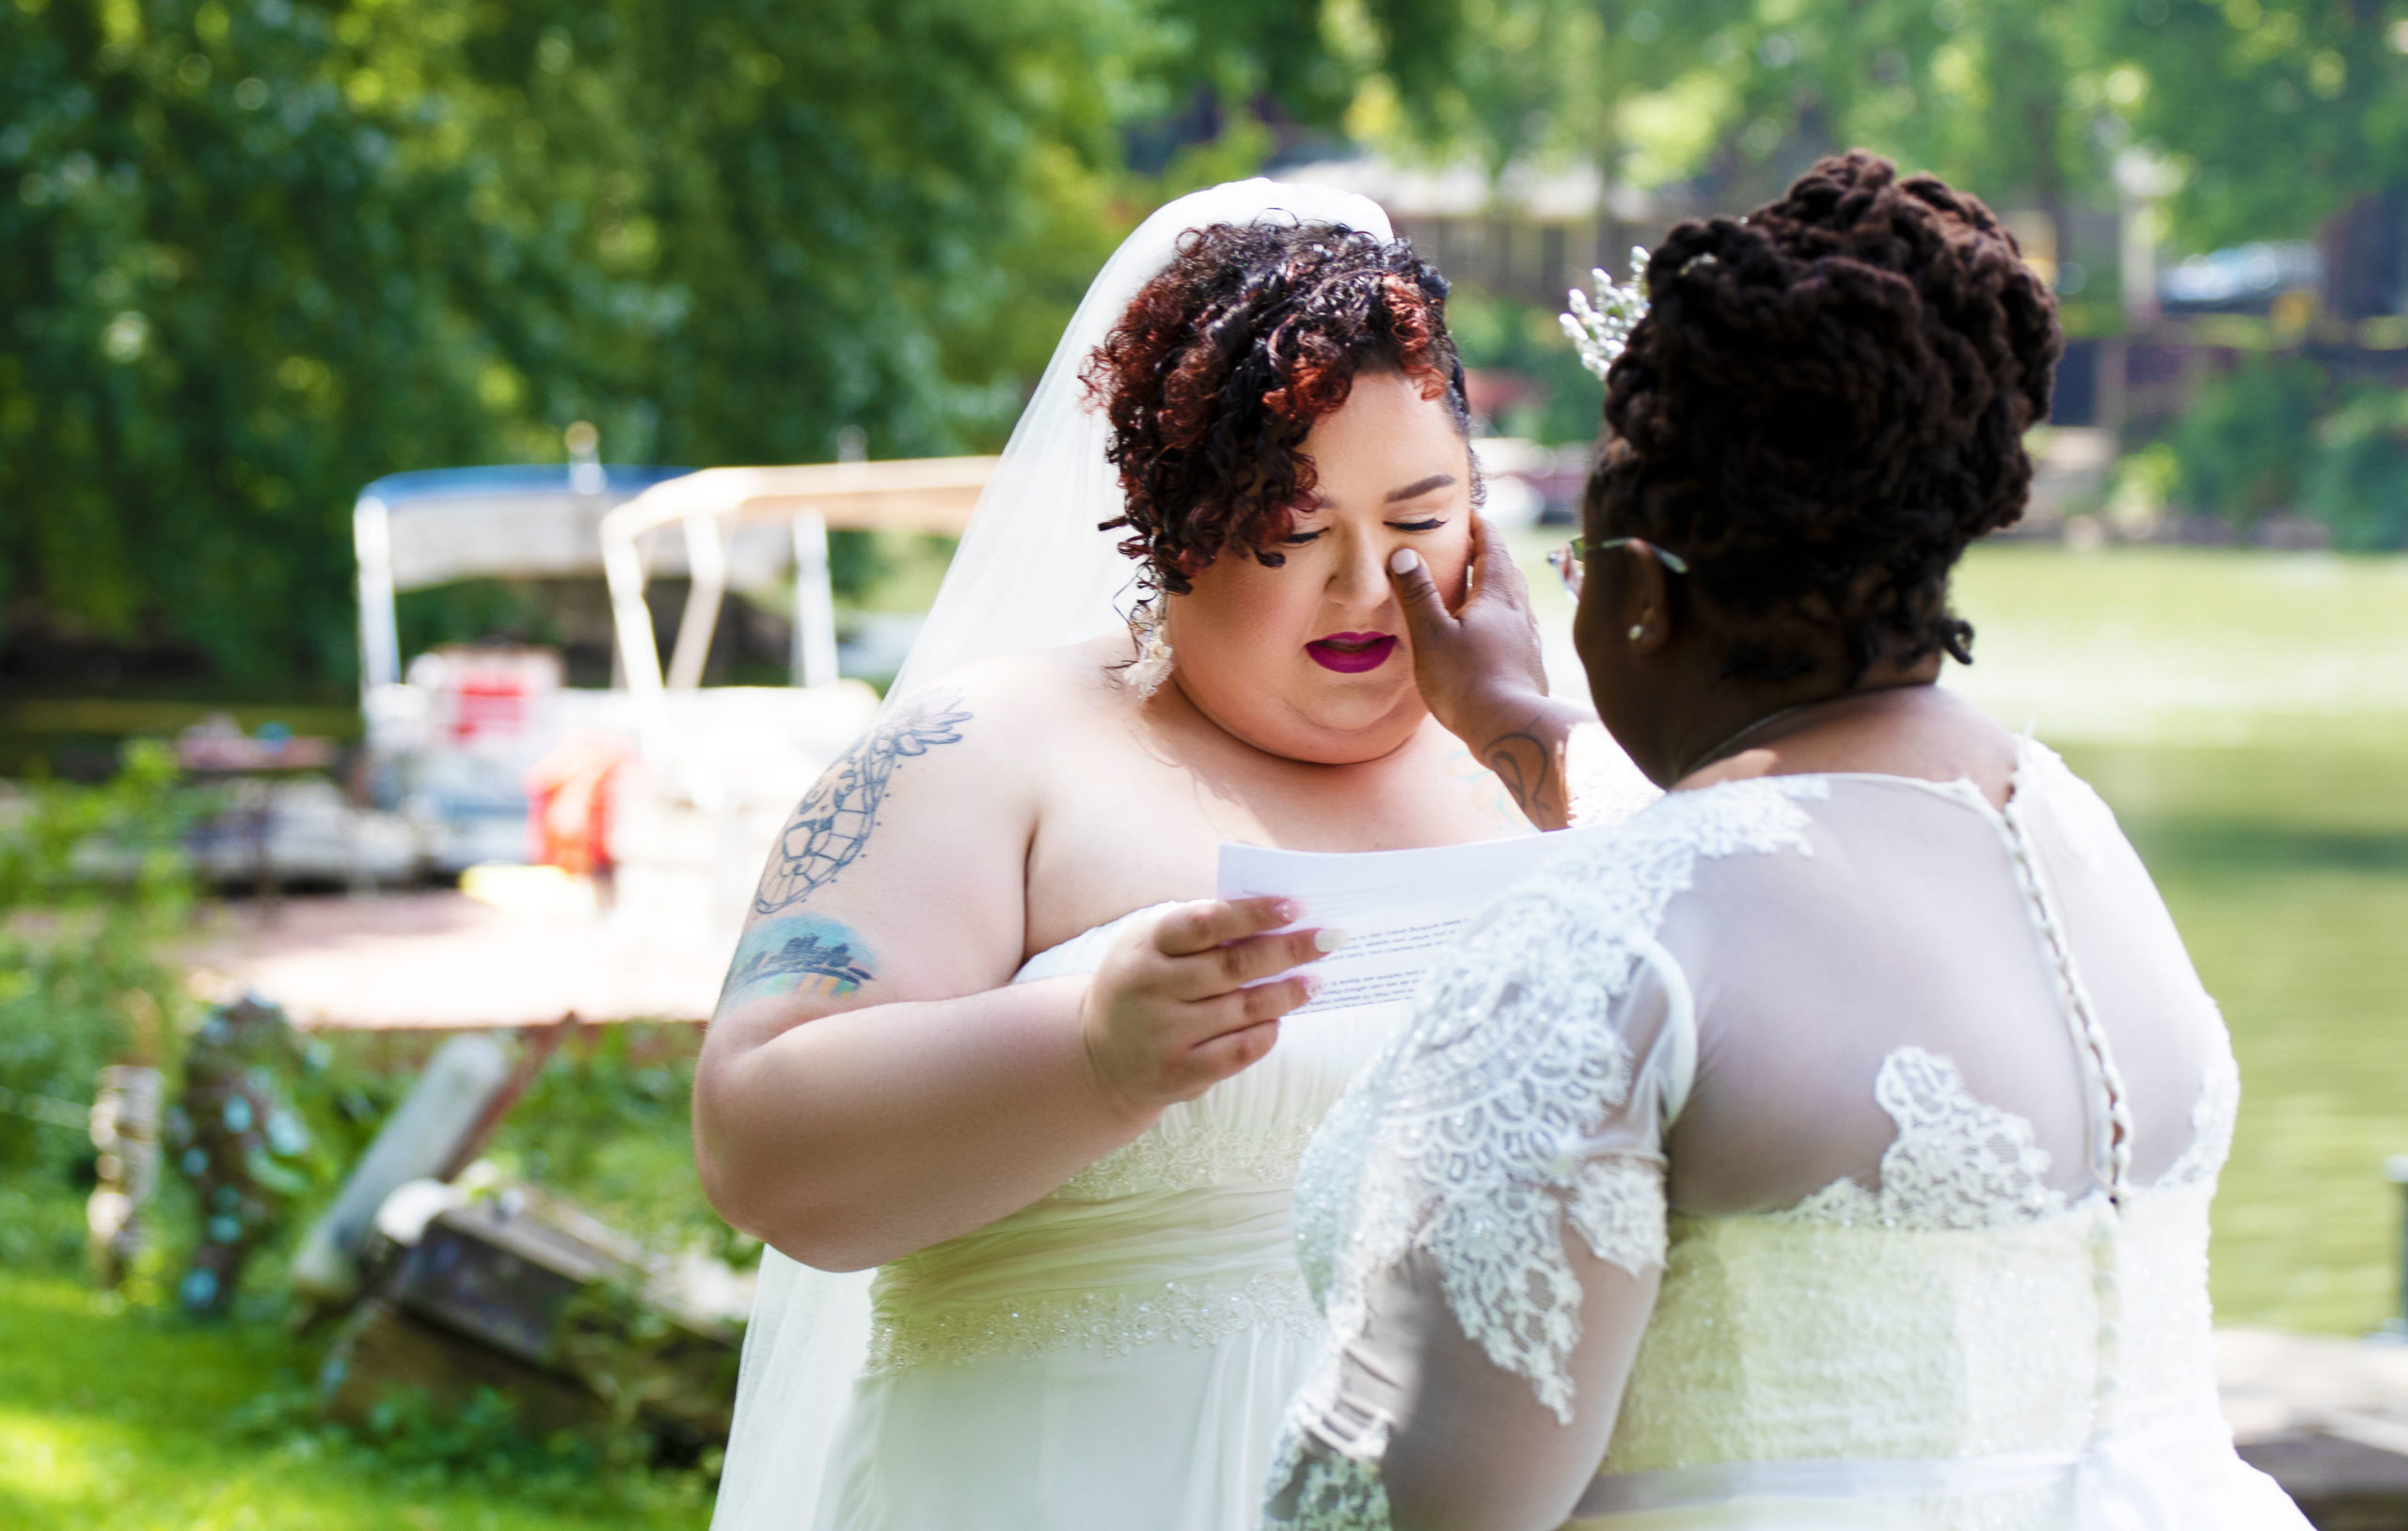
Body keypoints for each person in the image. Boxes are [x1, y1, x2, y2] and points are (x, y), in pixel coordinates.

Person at [1262, 152, 2313, 1530]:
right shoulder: (2066, 831)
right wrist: (1520, 728)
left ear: (1640, 597)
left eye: (1579, 570)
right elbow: (1772, 872)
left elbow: (1400, 1505)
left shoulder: (1608, 944)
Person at [696, 181, 1544, 1531]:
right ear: (1171, 525)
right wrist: (1091, 1053)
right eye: (1293, 531)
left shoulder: (1561, 764)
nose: (1363, 585)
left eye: (1420, 520)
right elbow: (756, 1141)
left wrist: (1535, 751)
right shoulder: (989, 748)